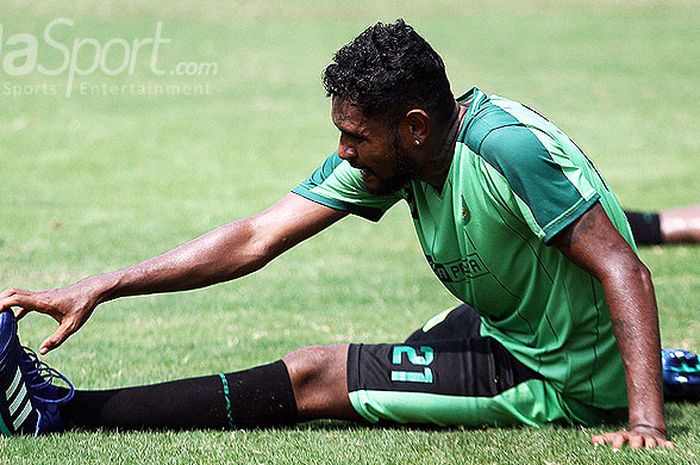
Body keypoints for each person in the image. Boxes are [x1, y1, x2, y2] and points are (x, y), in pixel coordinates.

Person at [0, 19, 689, 450]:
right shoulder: (406, 152)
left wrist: (646, 424)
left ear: (413, 125)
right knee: (416, 349)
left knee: (320, 374)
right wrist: (104, 283)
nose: (344, 151)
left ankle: (59, 413)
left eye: (355, 135)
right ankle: (677, 363)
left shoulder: (505, 150)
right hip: (515, 326)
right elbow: (254, 237)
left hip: (565, 377)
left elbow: (626, 269)